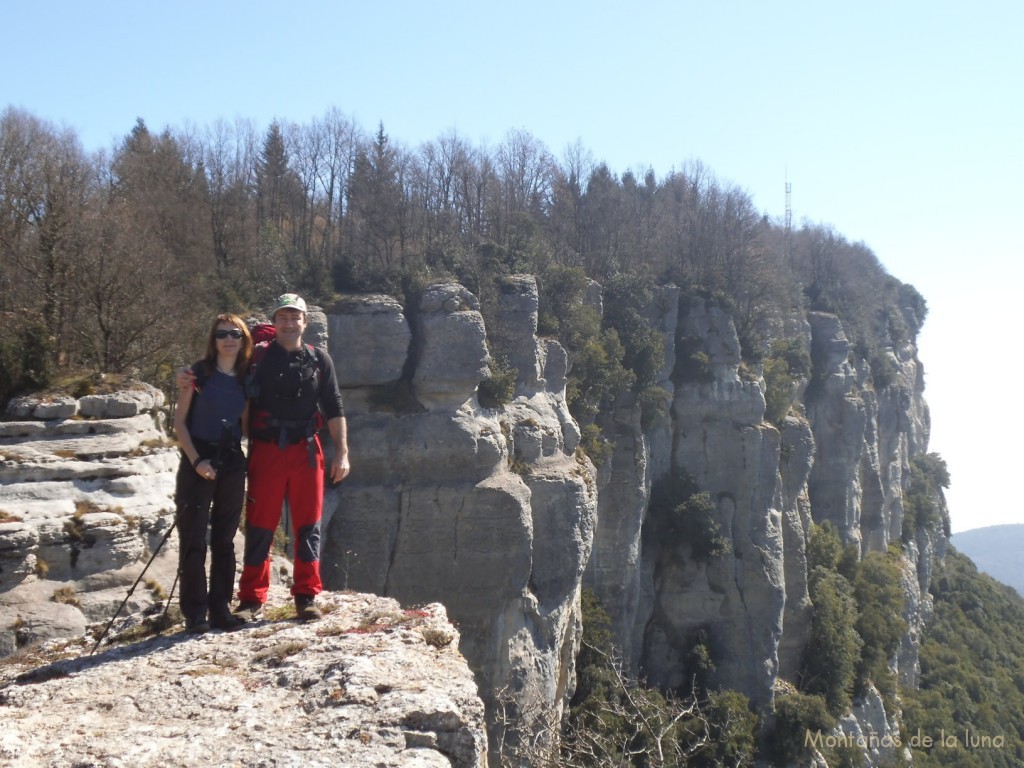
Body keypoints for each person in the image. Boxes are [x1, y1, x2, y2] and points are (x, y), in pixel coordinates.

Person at [235, 293, 349, 621]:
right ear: (274, 322)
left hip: (306, 451)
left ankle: (306, 595)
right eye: (282, 318)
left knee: (308, 524)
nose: (289, 323)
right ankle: (251, 599)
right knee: (260, 525)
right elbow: (228, 385)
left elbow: (334, 406)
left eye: (294, 317)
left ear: (304, 322)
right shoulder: (255, 358)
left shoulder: (319, 359)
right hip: (266, 449)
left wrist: (342, 452)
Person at [173, 314, 252, 634]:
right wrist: (196, 462)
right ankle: (195, 613)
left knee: (225, 538)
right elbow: (179, 423)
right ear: (213, 339)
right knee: (192, 538)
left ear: (243, 339)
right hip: (198, 459)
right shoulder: (198, 374)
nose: (229, 339)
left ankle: (220, 609)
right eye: (222, 334)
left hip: (231, 459)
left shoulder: (247, 377)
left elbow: (245, 425)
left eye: (235, 334)